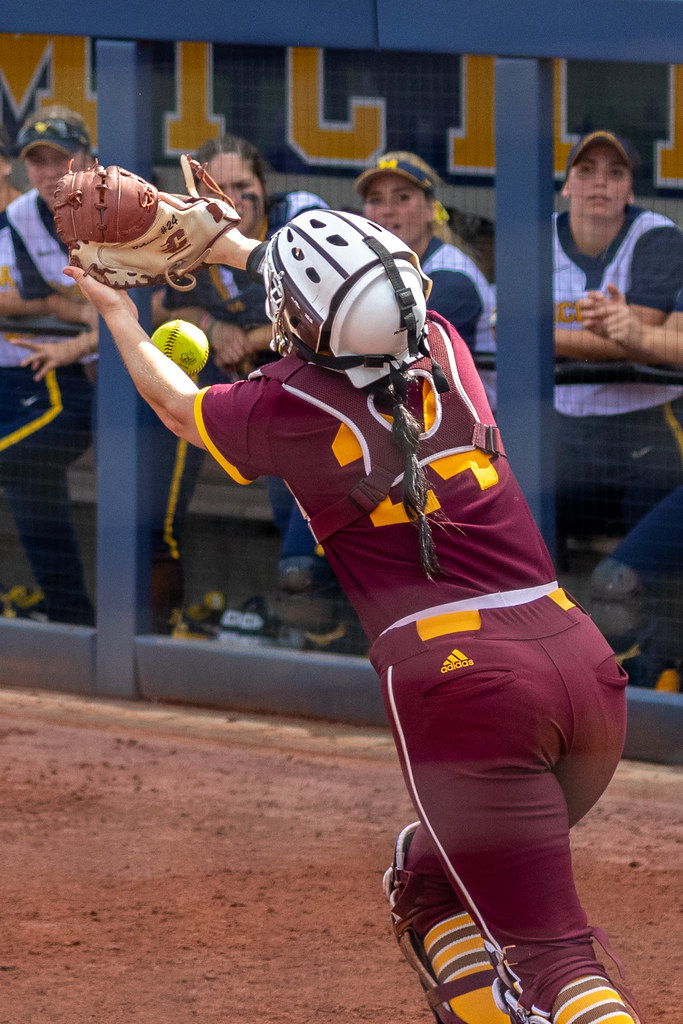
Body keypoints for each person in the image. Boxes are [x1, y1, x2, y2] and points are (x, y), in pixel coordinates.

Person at [68, 202, 642, 1024]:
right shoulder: (438, 341)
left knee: (554, 961)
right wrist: (233, 245)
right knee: (429, 877)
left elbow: (174, 404)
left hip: (470, 691)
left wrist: (121, 315)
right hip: (583, 670)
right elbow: (357, 300)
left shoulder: (288, 401)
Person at [155, 134, 361, 650]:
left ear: (265, 188)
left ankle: (358, 647)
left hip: (338, 402)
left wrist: (243, 336)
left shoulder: (301, 218)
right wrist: (207, 321)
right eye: (218, 188)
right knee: (297, 530)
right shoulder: (195, 236)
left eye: (243, 186)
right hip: (274, 405)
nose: (231, 200)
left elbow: (325, 306)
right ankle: (333, 645)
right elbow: (163, 307)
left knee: (309, 558)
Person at [553, 130, 683, 549]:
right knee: (546, 552)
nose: (600, 182)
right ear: (567, 185)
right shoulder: (538, 236)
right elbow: (504, 327)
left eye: (616, 172)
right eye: (586, 170)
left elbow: (641, 336)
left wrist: (540, 334)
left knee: (641, 565)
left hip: (642, 425)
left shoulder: (658, 236)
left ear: (630, 189)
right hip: (561, 427)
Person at [0, 108, 97, 625]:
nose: (47, 171)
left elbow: (147, 303)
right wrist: (81, 320)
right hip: (62, 365)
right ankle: (69, 615)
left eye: (59, 157)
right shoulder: (20, 216)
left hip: (123, 374)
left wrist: (74, 345)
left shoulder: (118, 204)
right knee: (31, 485)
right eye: (36, 161)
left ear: (85, 157)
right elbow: (45, 297)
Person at [355, 150, 497, 405]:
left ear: (431, 209)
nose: (387, 211)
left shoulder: (452, 278)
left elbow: (397, 352)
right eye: (376, 199)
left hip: (473, 426)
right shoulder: (382, 267)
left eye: (402, 198)